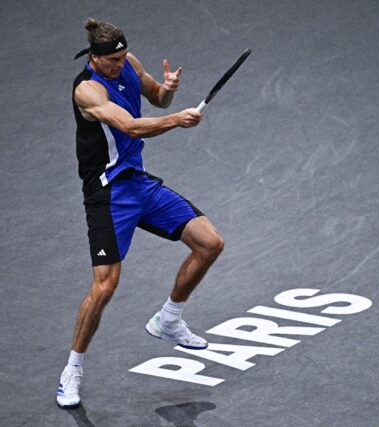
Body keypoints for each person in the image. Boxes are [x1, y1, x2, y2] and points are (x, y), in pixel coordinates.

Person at [57, 18, 224, 409]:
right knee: (105, 286)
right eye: (111, 60)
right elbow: (130, 127)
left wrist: (166, 92)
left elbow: (156, 99)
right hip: (108, 194)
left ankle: (168, 319)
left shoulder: (128, 62)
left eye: (121, 57)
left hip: (140, 183)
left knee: (209, 243)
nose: (119, 65)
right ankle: (72, 369)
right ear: (94, 58)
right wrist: (176, 119)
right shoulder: (87, 90)